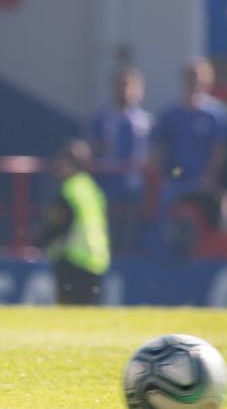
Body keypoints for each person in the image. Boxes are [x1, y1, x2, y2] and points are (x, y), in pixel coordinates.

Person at [150, 58, 227, 251]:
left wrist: (209, 177)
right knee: (163, 211)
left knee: (220, 214)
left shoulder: (215, 113)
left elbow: (220, 149)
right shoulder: (170, 114)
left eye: (199, 77)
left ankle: (216, 255)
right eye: (190, 77)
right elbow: (159, 149)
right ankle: (163, 253)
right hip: (176, 180)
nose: (194, 82)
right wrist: (162, 176)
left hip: (204, 181)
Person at [36, 139, 110, 305]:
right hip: (96, 259)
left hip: (72, 260)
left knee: (67, 313)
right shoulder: (91, 187)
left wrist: (41, 242)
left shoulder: (69, 189)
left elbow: (60, 224)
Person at [87, 66, 152, 249]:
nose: (126, 91)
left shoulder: (146, 122)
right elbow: (90, 149)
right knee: (106, 230)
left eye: (131, 86)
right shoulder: (101, 118)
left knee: (133, 232)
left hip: (135, 187)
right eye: (121, 86)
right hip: (107, 185)